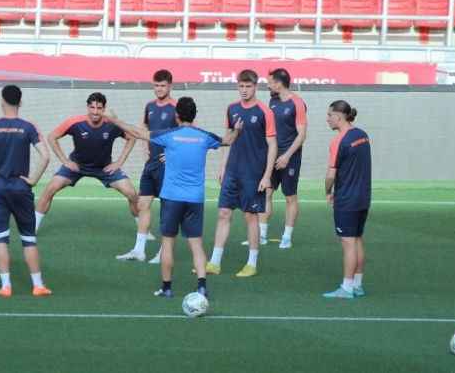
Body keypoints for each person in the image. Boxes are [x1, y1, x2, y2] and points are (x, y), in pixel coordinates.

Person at [104, 97, 235, 298]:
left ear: (176, 115)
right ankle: (201, 286)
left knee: (168, 242)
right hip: (195, 200)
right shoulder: (204, 137)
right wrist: (238, 129)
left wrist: (114, 119)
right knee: (196, 244)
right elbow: (227, 140)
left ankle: (167, 288)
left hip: (172, 198)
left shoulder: (169, 136)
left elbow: (138, 132)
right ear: (195, 115)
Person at [0, 85, 53, 297]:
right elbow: (46, 156)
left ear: (2, 101)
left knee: (1, 238)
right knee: (29, 239)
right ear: (20, 102)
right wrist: (33, 180)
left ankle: (6, 286)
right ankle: (38, 285)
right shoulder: (28, 127)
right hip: (21, 189)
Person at [206, 69, 277, 278]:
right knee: (223, 213)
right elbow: (228, 140)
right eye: (241, 86)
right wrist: (223, 167)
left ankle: (252, 264)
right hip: (232, 172)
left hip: (253, 174)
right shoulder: (231, 109)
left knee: (250, 216)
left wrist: (266, 175)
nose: (244, 90)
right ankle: (214, 262)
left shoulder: (265, 112)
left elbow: (272, 145)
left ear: (255, 87)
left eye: (248, 86)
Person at [34, 92, 138, 234]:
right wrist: (65, 161)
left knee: (132, 193)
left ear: (104, 108)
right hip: (77, 166)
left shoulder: (112, 124)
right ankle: (32, 228)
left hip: (104, 168)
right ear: (87, 107)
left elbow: (132, 138)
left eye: (99, 108)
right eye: (92, 107)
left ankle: (143, 229)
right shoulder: (75, 123)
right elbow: (52, 137)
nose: (95, 112)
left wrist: (119, 162)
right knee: (50, 188)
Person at [116, 69, 177, 263]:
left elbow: (187, 131)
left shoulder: (176, 107)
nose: (159, 89)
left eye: (163, 85)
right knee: (143, 205)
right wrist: (144, 147)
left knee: (167, 208)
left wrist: (172, 154)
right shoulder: (149, 106)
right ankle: (139, 250)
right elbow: (143, 127)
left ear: (170, 86)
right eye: (156, 85)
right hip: (151, 164)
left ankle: (163, 252)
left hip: (168, 166)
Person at [323, 100, 371, 299]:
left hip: (346, 199)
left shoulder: (338, 141)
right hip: (363, 197)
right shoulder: (362, 135)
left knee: (348, 243)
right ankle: (358, 285)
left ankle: (347, 287)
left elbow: (330, 175)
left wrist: (327, 190)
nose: (327, 119)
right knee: (358, 240)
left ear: (338, 117)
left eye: (329, 115)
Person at [256, 68, 307, 249]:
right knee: (266, 192)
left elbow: (301, 135)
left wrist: (286, 156)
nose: (268, 85)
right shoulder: (273, 101)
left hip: (290, 157)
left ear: (279, 83)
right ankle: (261, 235)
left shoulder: (298, 103)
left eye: (270, 82)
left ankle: (287, 237)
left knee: (290, 197)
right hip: (272, 156)